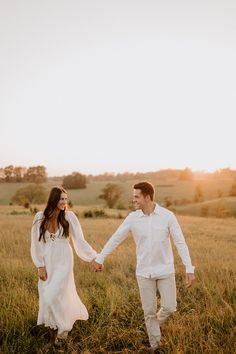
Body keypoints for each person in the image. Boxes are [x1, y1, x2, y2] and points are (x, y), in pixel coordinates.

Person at [94, 181, 195, 352]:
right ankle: (155, 346)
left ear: (147, 197)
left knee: (170, 307)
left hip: (164, 270)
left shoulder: (167, 216)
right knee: (148, 312)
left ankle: (153, 325)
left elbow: (180, 242)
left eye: (136, 197)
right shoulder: (133, 218)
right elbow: (116, 238)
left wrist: (189, 268)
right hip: (143, 272)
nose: (133, 200)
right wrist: (100, 258)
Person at [31, 186, 97, 347]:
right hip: (47, 261)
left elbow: (80, 241)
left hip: (64, 261)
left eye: (66, 199)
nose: (64, 202)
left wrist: (95, 257)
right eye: (61, 199)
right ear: (53, 199)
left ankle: (63, 330)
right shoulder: (40, 217)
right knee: (46, 299)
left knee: (52, 295)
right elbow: (35, 244)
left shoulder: (69, 217)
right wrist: (40, 265)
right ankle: (52, 338)